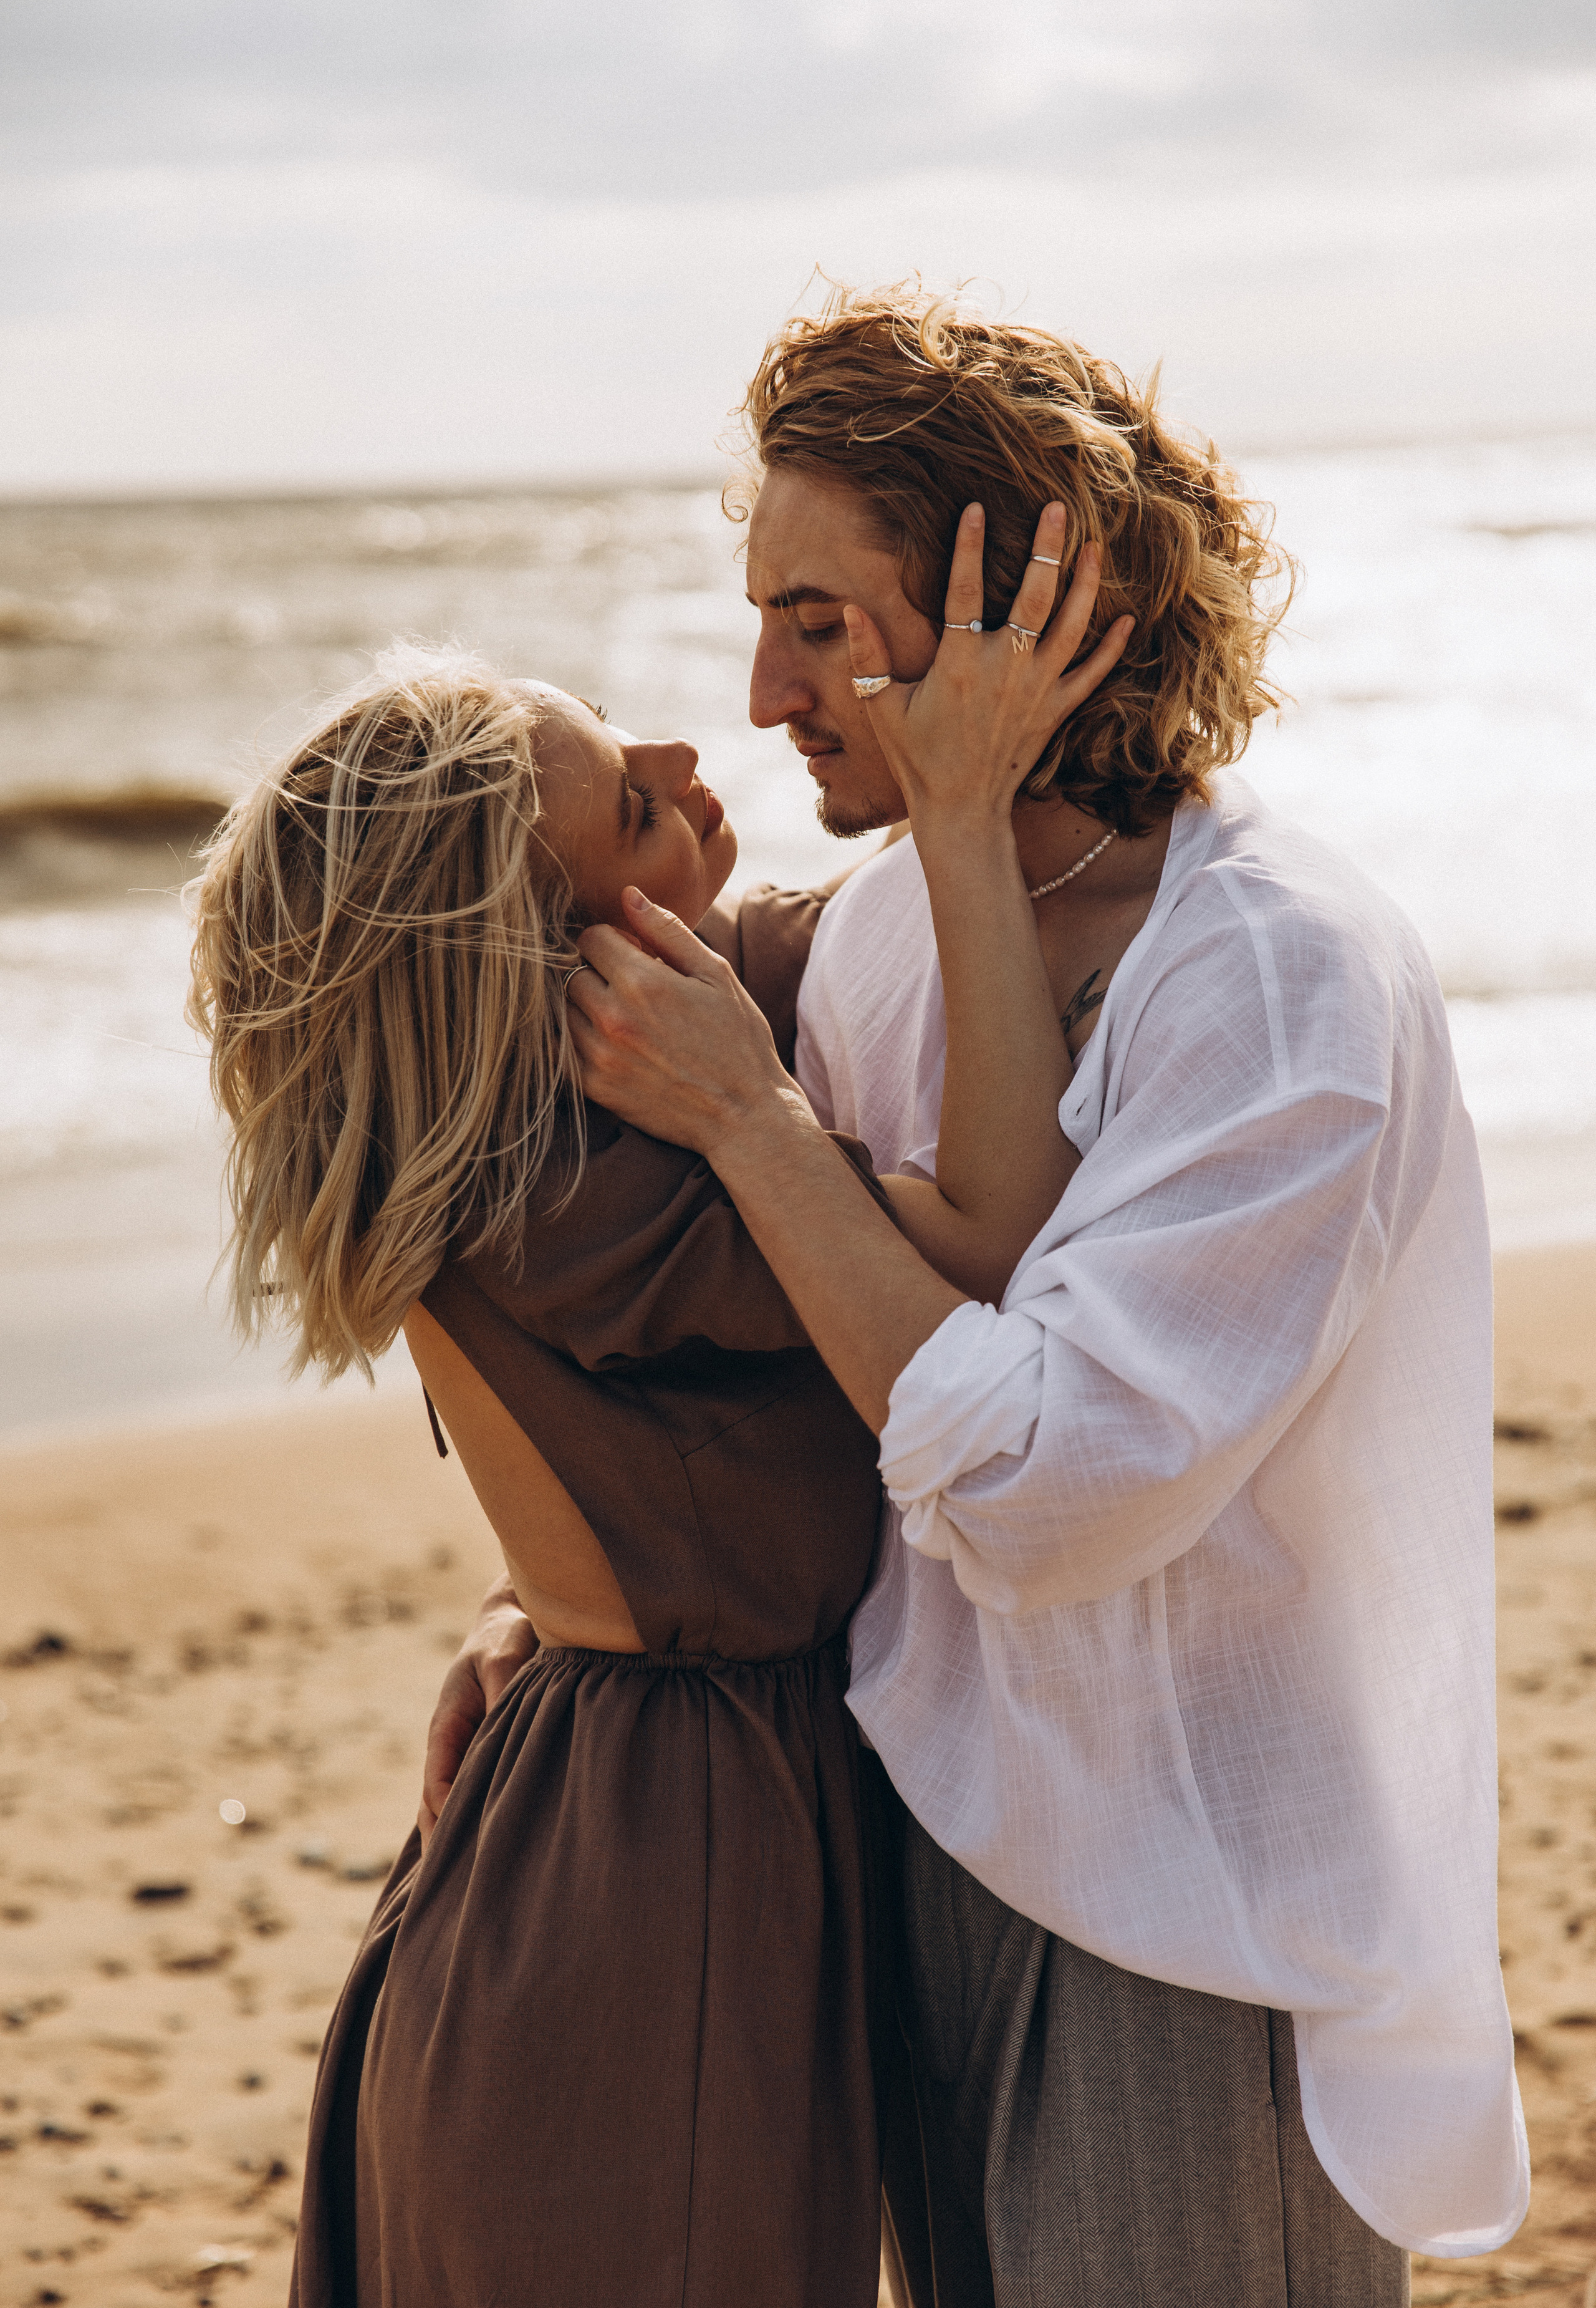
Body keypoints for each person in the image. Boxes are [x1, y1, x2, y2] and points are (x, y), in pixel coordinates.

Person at [431, 283, 1529, 2306]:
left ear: (1030, 607)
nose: (764, 691)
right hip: (921, 1832)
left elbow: (1053, 1486)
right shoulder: (870, 953)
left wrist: (759, 1130)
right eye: (759, 613)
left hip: (1184, 1917)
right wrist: (542, 1604)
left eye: (822, 621)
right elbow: (832, 1362)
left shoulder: (1275, 977)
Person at [185, 541, 1127, 2306]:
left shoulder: (633, 1049)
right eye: (634, 804)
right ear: (565, 969)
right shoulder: (581, 1186)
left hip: (628, 1805)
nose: (698, 765)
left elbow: (927, 915)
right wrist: (947, 829)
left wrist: (976, 765)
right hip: (656, 1875)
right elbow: (991, 1249)